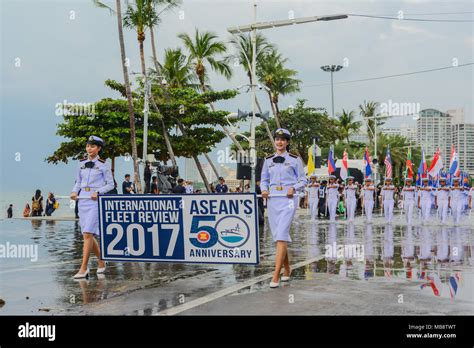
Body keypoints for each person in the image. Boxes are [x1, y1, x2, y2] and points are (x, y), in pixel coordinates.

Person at [260, 128, 306, 288]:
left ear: (287, 142)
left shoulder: (294, 159)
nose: (279, 142)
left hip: (288, 199)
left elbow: (303, 180)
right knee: (279, 235)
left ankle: (275, 276)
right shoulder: (268, 160)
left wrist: (294, 188)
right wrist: (264, 190)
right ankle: (287, 268)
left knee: (281, 234)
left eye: (282, 139)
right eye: (277, 139)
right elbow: (264, 179)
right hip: (273, 199)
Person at [70, 136, 114, 279]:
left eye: (93, 146)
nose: (90, 149)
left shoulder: (104, 164)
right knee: (87, 234)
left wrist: (99, 192)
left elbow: (110, 184)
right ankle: (101, 261)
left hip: (95, 201)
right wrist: (74, 192)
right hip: (82, 200)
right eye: (88, 146)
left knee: (88, 234)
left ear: (99, 148)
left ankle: (83, 268)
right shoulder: (81, 163)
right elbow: (78, 182)